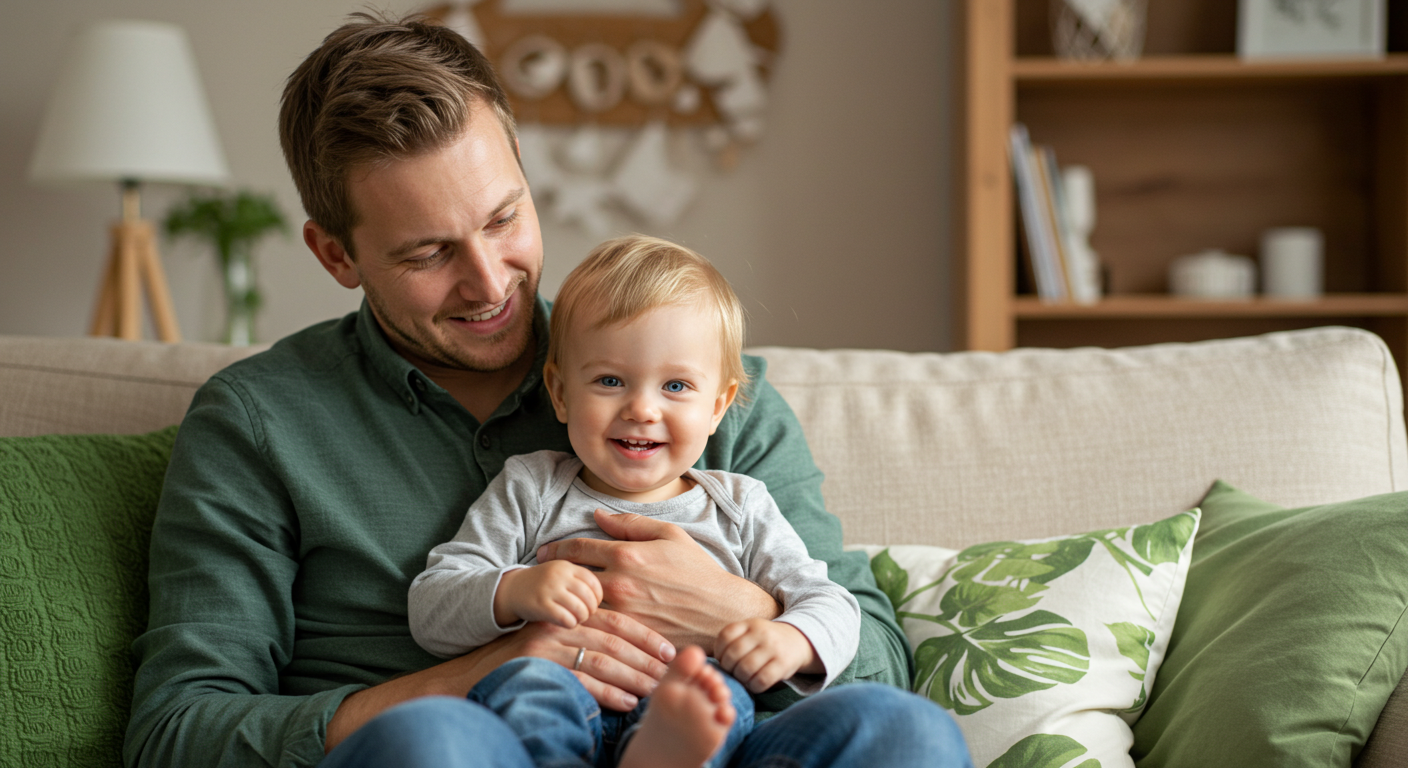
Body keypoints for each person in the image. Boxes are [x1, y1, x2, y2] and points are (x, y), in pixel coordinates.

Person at [123, 11, 972, 768]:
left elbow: (880, 659)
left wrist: (729, 612)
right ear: (335, 254)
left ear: (522, 167)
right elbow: (178, 733)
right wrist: (494, 666)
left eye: (503, 218)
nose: (491, 283)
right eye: (428, 253)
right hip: (468, 743)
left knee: (908, 736)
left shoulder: (698, 387)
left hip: (718, 734)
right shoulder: (259, 422)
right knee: (433, 745)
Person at [408, 235, 863, 768]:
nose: (642, 409)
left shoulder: (739, 505)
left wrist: (791, 640)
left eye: (675, 386)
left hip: (679, 695)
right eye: (610, 380)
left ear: (718, 407)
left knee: (714, 697)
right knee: (525, 687)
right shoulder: (532, 486)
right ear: (559, 393)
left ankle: (661, 753)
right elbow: (433, 605)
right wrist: (515, 589)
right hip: (561, 687)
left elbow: (831, 602)